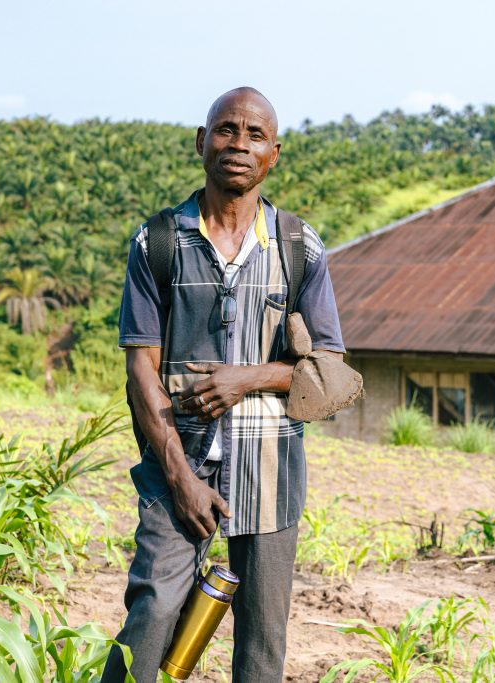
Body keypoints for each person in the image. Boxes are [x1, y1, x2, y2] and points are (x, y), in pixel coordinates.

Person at [102, 87, 345, 682]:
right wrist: (180, 479)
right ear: (201, 142)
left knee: (262, 638)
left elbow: (331, 369)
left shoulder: (298, 247)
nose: (238, 144)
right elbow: (141, 369)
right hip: (177, 462)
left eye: (254, 134)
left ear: (274, 154)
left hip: (271, 464)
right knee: (154, 612)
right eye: (226, 130)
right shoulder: (157, 242)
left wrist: (249, 377)